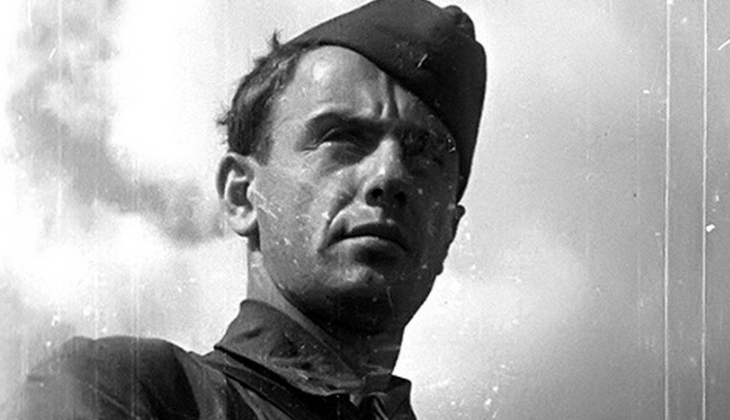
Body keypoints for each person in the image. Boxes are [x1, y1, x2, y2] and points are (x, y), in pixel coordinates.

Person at [7, 0, 486, 418]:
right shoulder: (129, 388)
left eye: (426, 155)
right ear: (241, 195)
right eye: (342, 137)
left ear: (449, 231)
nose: (389, 175)